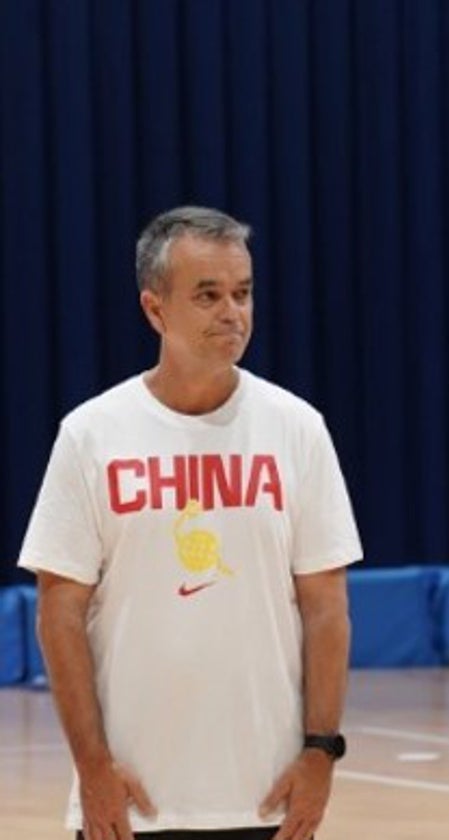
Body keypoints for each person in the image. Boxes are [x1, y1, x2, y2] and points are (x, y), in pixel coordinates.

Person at [18, 206, 362, 840]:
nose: (232, 312)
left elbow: (325, 607)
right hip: (130, 804)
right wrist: (92, 768)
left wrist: (321, 751)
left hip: (268, 802)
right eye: (208, 296)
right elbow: (58, 614)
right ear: (155, 309)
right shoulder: (92, 435)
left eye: (243, 293)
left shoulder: (298, 429)